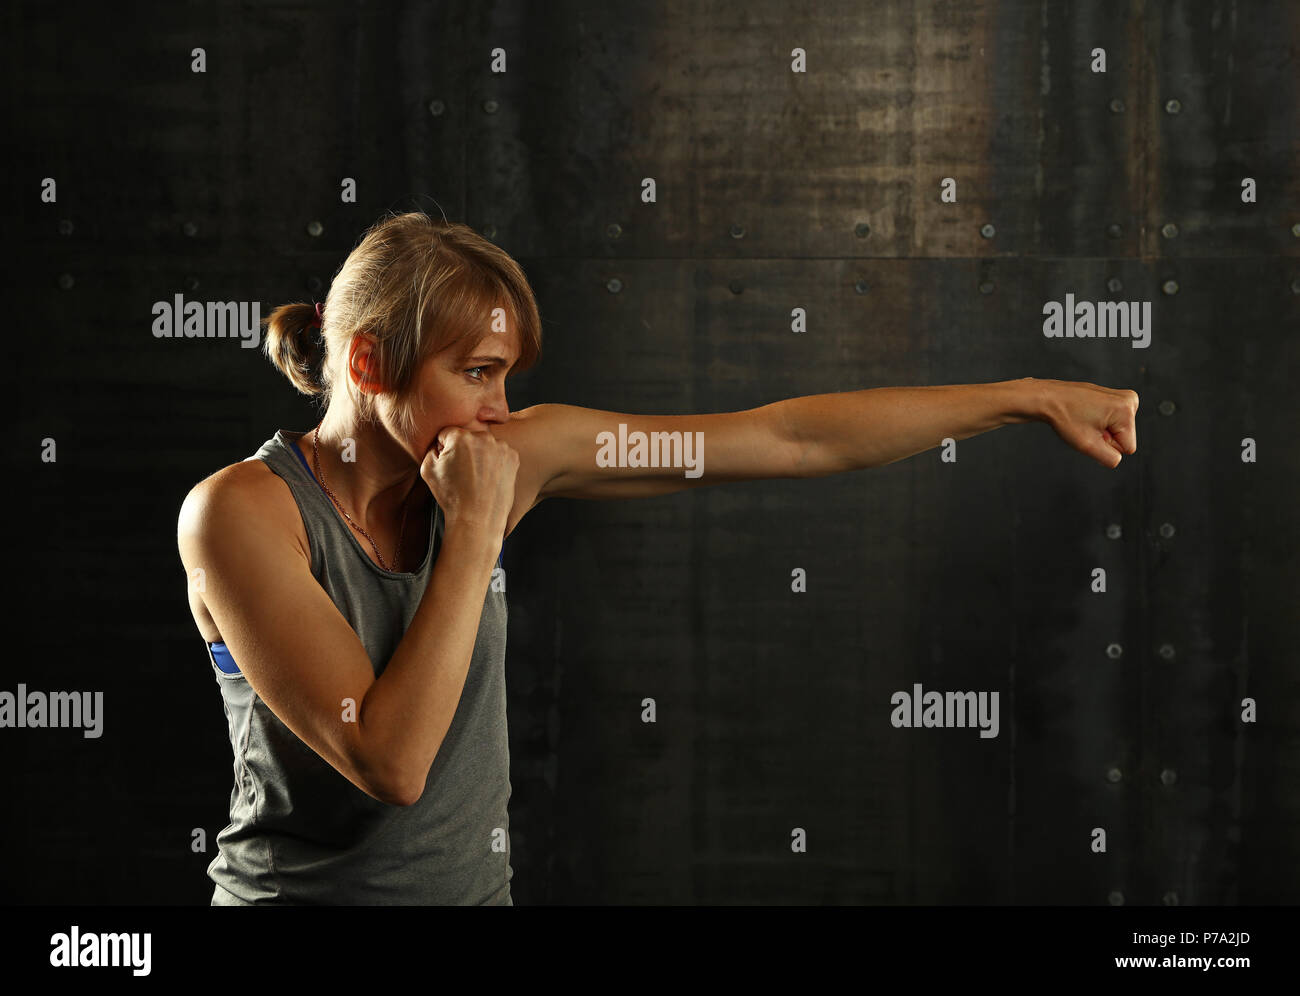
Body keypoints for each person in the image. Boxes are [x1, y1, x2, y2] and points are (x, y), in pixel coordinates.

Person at [176, 210, 1139, 905]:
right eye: (476, 375)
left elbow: (787, 440)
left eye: (507, 378)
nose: (501, 410)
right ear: (369, 364)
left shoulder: (509, 458)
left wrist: (1025, 396)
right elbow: (390, 762)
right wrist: (475, 531)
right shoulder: (243, 515)